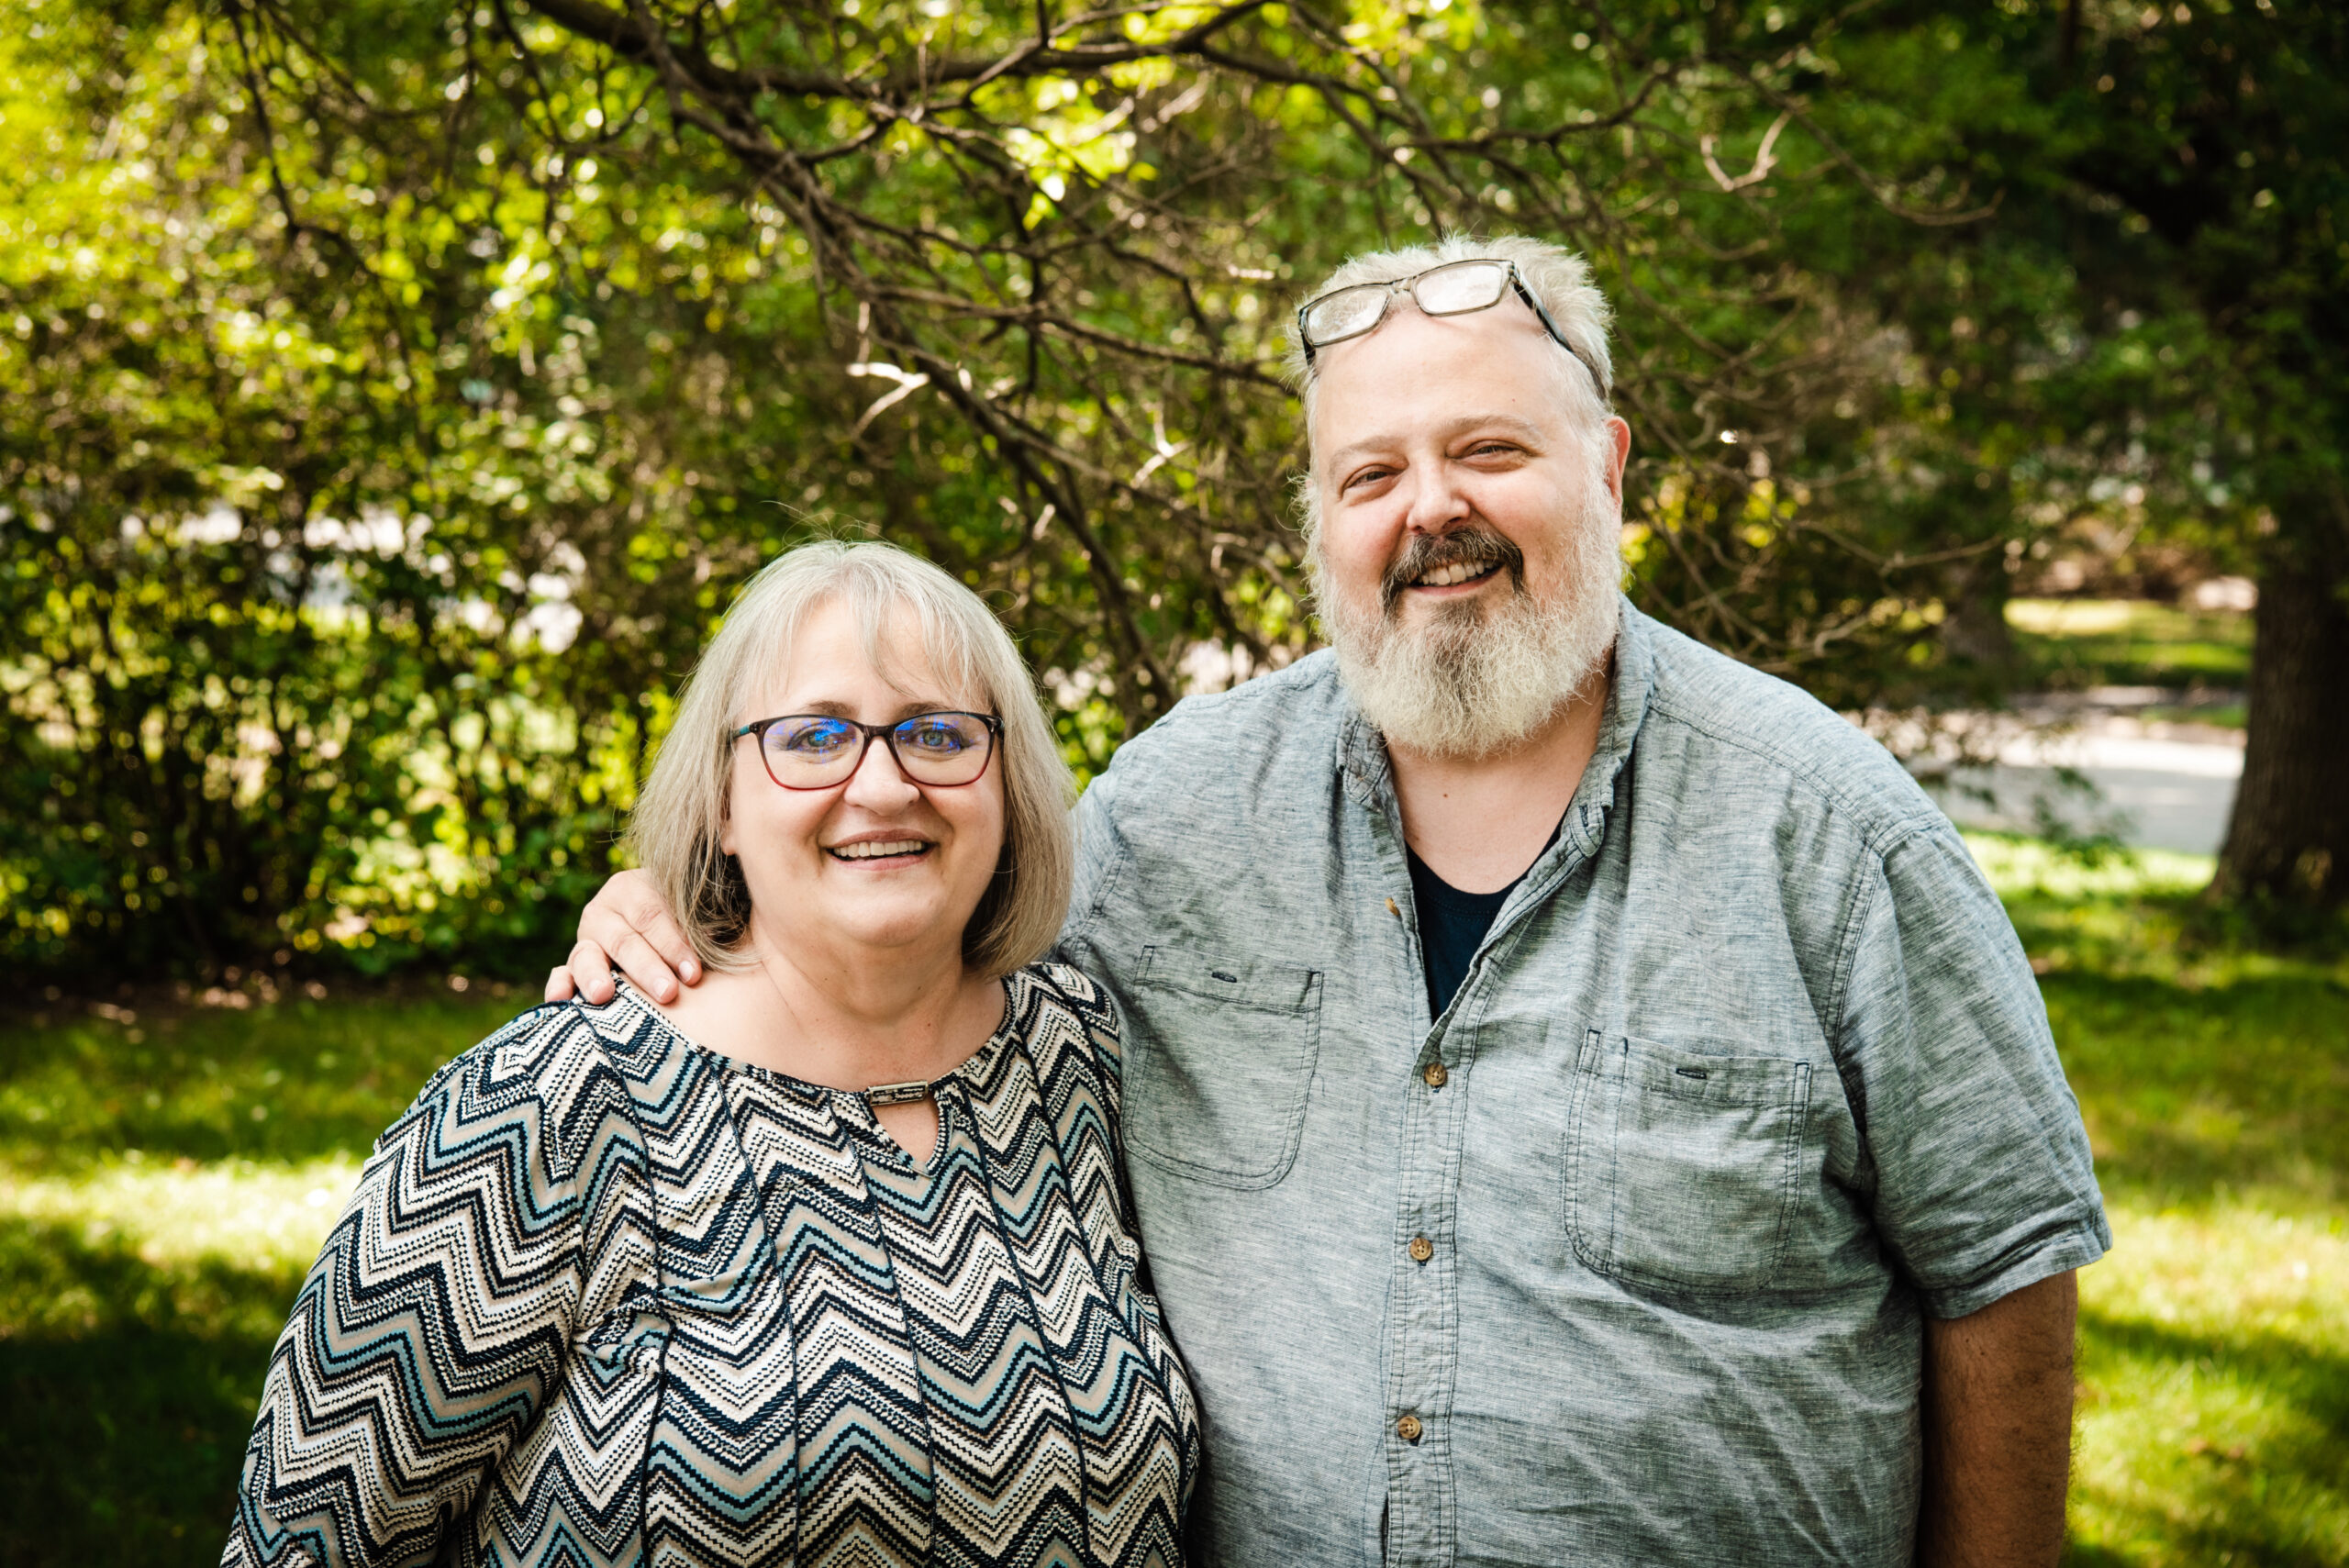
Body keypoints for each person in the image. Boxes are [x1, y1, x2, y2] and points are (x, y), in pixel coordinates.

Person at [555, 238, 2110, 1567]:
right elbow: (922, 939)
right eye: (1371, 472)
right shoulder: (1174, 812)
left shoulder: (1831, 835)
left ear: (1610, 462)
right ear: (1322, 516)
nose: (1429, 509)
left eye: (1489, 450)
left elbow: (2003, 1269)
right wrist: (697, 895)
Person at [225, 542, 1199, 1567]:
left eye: (936, 733)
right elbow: (304, 1543)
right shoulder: (542, 1107)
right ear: (725, 802)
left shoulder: (1082, 1052)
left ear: (1004, 780)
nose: (882, 782)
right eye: (813, 737)